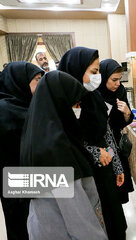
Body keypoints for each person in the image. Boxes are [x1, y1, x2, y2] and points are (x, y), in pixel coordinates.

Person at [20, 70, 108, 240]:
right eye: (74, 104)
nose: (77, 110)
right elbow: (80, 221)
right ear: (60, 104)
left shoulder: (35, 136)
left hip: (42, 227)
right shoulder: (57, 151)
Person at [59, 48, 127, 239]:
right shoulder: (61, 101)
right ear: (76, 69)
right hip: (81, 171)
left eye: (98, 72)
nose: (98, 77)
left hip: (105, 168)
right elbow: (63, 140)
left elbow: (106, 133)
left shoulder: (95, 96)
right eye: (94, 72)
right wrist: (94, 152)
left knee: (113, 218)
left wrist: (117, 165)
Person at [0, 61, 44, 240]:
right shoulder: (4, 109)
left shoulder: (29, 104)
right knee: (20, 224)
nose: (40, 85)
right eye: (36, 80)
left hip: (31, 177)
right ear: (19, 81)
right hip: (14, 178)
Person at [99, 58, 135, 204]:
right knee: (108, 182)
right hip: (101, 143)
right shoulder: (94, 93)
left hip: (116, 141)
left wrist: (126, 112)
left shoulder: (120, 91)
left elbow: (126, 120)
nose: (117, 84)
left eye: (120, 79)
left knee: (120, 181)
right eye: (114, 80)